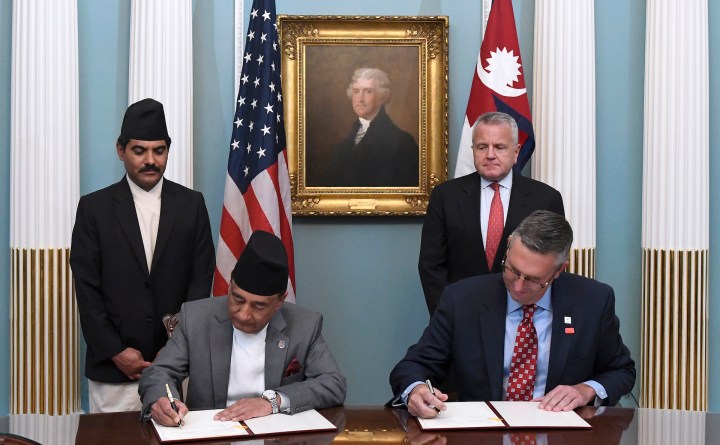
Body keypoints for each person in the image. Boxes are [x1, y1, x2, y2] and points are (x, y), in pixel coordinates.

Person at [390, 210, 635, 418]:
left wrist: (586, 390)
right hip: (483, 433)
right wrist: (416, 390)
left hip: (560, 432)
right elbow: (413, 366)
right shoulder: (463, 299)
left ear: (559, 270)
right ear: (508, 246)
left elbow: (621, 371)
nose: (518, 287)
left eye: (534, 280)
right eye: (512, 270)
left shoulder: (592, 301)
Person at [70, 98, 215, 413]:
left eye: (158, 151)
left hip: (176, 368)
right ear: (120, 150)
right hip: (114, 371)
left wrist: (175, 348)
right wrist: (116, 351)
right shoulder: (94, 209)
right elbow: (87, 289)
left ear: (167, 151)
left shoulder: (192, 205)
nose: (151, 160)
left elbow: (200, 284)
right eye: (139, 151)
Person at [139, 230, 347, 426]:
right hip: (212, 431)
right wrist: (160, 400)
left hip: (275, 434)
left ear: (279, 301)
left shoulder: (304, 325)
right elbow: (159, 371)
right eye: (237, 299)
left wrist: (272, 402)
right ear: (230, 286)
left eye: (258, 306)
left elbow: (333, 383)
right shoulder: (196, 318)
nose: (243, 314)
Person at [419, 111, 565, 315]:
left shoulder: (546, 199)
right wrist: (448, 315)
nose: (490, 155)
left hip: (523, 315)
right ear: (473, 150)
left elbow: (551, 265)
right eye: (482, 147)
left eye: (499, 147)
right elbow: (431, 265)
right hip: (461, 313)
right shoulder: (445, 196)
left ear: (516, 152)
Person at [319, 67, 419, 187]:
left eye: (368, 91)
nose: (360, 99)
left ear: (382, 96)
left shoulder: (402, 142)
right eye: (356, 91)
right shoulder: (344, 145)